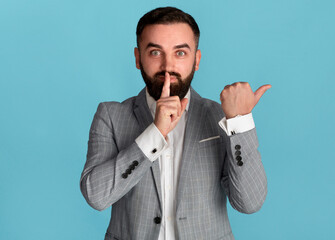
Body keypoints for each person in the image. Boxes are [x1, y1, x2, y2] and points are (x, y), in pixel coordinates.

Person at [80, 6, 270, 240]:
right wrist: (155, 133)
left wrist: (240, 124)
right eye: (155, 53)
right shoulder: (110, 115)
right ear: (138, 58)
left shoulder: (220, 118)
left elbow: (249, 203)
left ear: (196, 60)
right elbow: (97, 196)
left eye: (180, 53)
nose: (168, 66)